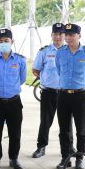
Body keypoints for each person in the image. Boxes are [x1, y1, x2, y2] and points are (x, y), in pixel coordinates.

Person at [55, 23, 85, 169]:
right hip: (63, 95)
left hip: (80, 96)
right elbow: (59, 70)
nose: (68, 37)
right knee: (64, 129)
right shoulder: (60, 52)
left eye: (71, 35)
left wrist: (84, 84)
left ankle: (80, 158)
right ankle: (65, 158)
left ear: (79, 36)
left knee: (81, 129)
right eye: (66, 35)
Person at [0, 28, 27, 169]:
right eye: (1, 41)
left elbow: (22, 79)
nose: (3, 43)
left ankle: (13, 158)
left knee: (15, 133)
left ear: (12, 41)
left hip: (14, 101)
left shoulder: (20, 60)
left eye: (6, 41)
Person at [32, 23, 65, 159]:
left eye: (60, 34)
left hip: (65, 93)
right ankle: (41, 147)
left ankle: (68, 147)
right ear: (51, 35)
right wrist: (47, 79)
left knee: (66, 123)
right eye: (55, 34)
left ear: (65, 36)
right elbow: (35, 70)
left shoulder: (69, 51)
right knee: (45, 121)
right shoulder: (44, 51)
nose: (57, 37)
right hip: (48, 92)